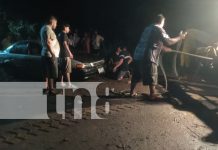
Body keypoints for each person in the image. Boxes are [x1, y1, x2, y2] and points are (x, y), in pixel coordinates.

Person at [130, 14, 187, 100]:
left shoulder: (148, 28)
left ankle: (132, 92)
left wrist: (163, 48)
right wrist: (180, 37)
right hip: (148, 56)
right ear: (162, 21)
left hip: (138, 54)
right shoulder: (158, 28)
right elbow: (169, 41)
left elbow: (151, 41)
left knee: (136, 75)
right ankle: (152, 95)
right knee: (152, 74)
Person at [40, 16, 60, 95]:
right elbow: (48, 42)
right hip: (49, 54)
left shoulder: (43, 28)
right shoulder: (48, 29)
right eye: (56, 23)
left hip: (45, 53)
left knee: (47, 72)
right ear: (52, 22)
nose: (56, 25)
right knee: (51, 73)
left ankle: (48, 89)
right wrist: (53, 54)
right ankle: (51, 90)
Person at [58, 24, 74, 88]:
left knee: (62, 69)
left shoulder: (59, 34)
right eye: (68, 28)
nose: (69, 29)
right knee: (67, 70)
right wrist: (70, 53)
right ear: (65, 27)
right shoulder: (64, 34)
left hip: (60, 54)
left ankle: (61, 83)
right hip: (65, 54)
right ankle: (69, 84)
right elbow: (64, 44)